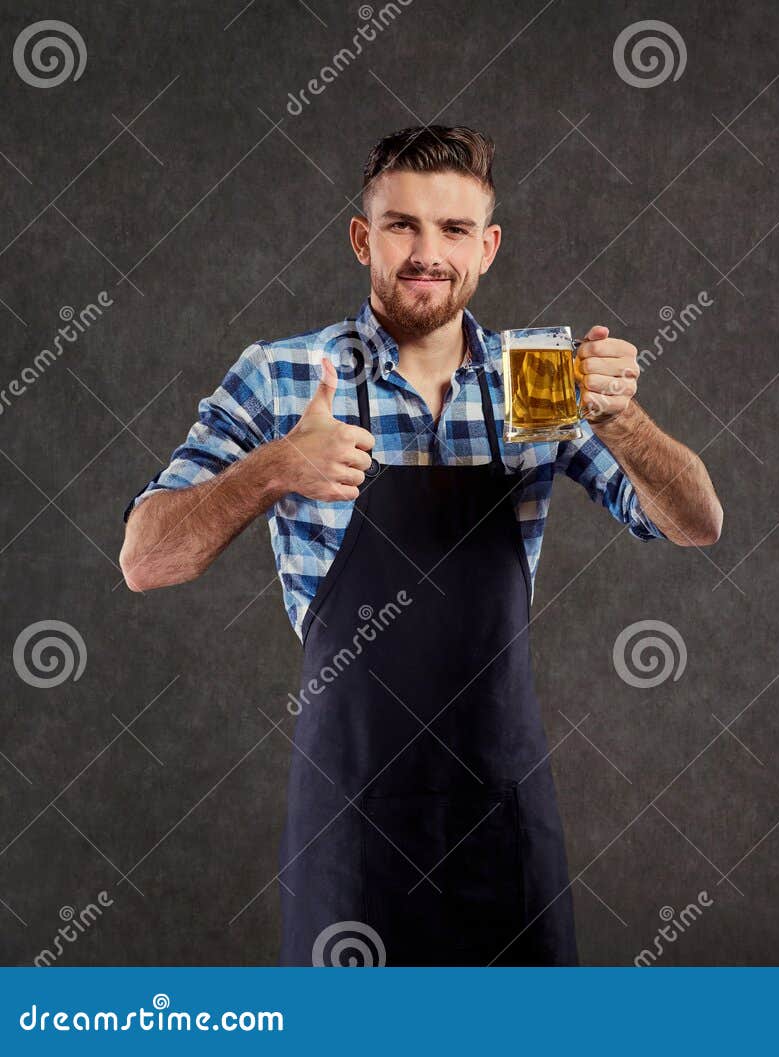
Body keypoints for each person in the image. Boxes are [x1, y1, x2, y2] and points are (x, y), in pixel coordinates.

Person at [117, 125, 722, 966]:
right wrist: (275, 467)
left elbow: (695, 521)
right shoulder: (286, 374)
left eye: (454, 230)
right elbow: (145, 558)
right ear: (363, 237)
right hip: (350, 819)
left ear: (488, 247)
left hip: (502, 815)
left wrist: (623, 423)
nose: (427, 253)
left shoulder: (535, 377)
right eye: (402, 225)